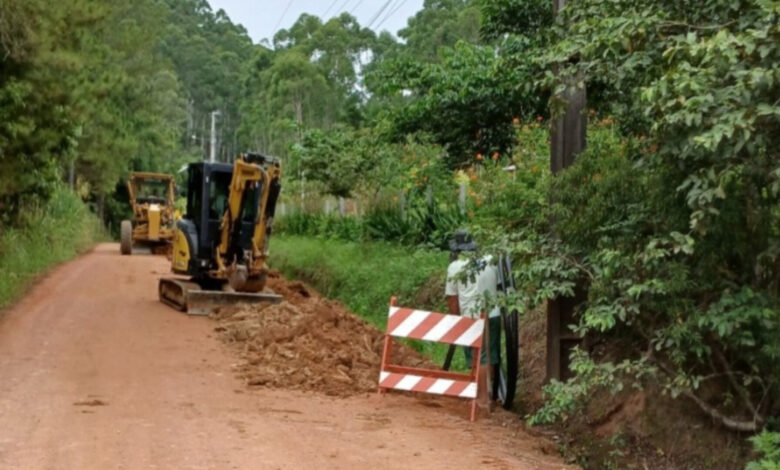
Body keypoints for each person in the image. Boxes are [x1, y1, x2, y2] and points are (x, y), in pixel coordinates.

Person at [444, 230, 501, 407]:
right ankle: (491, 394)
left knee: (479, 357)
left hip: (471, 316)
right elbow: (499, 287)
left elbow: (452, 298)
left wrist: (456, 321)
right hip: (494, 314)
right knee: (490, 354)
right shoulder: (491, 262)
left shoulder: (455, 268)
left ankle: (482, 398)